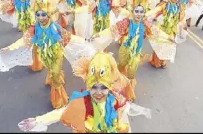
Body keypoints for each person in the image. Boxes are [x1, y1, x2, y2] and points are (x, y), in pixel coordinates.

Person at [18, 52, 151, 133]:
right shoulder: (82, 102)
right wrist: (38, 120)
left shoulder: (115, 100)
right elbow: (61, 113)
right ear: (89, 88)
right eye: (94, 88)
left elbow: (121, 116)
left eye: (103, 88)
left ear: (109, 88)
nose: (98, 93)